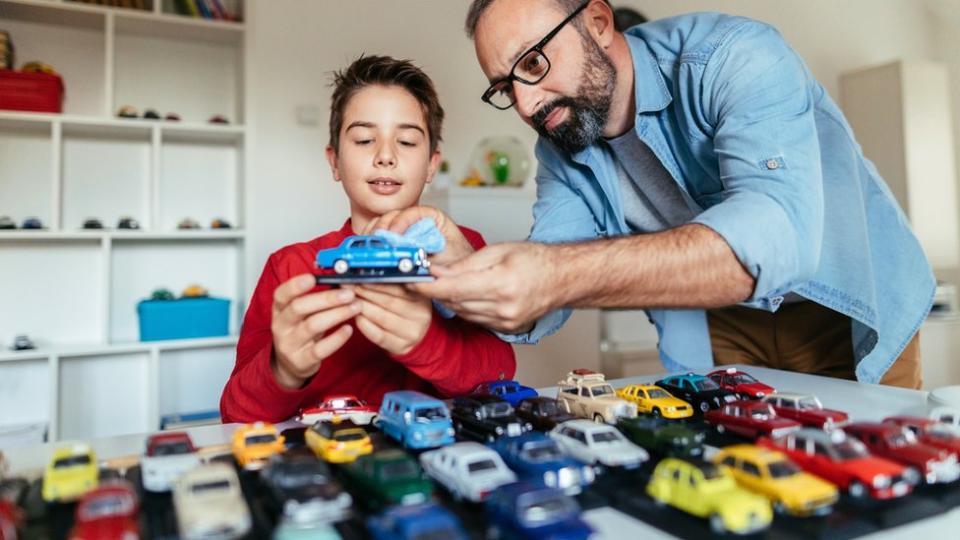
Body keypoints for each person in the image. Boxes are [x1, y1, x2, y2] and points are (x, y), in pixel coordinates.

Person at [376, 0, 934, 388]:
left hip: (845, 304)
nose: (526, 104)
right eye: (506, 86)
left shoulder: (733, 56)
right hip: (722, 323)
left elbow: (776, 236)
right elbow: (546, 281)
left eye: (533, 63)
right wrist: (464, 272)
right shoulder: (560, 147)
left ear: (596, 22)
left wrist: (553, 273)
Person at [220, 55, 516, 423]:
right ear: (334, 162)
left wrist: (426, 342)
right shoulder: (290, 267)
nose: (386, 156)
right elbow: (234, 414)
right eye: (363, 139)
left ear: (431, 165)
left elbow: (501, 375)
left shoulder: (463, 249)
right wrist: (285, 370)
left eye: (406, 141)